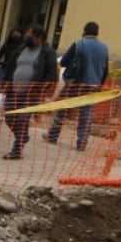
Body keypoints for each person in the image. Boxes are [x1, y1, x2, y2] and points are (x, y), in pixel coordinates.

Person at [45, 21, 109, 151]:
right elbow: (106, 70)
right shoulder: (104, 48)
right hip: (93, 85)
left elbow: (63, 62)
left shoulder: (78, 44)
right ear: (97, 33)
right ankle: (82, 142)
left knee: (62, 108)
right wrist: (99, 85)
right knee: (86, 114)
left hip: (75, 82)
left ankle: (52, 135)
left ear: (84, 31)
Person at [0, 24, 58, 159]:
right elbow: (10, 67)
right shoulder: (21, 49)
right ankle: (23, 136)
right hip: (13, 91)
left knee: (22, 121)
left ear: (39, 38)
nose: (26, 37)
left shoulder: (47, 53)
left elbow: (51, 74)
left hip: (31, 94)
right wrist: (6, 84)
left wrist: (40, 88)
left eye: (30, 36)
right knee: (9, 118)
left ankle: (16, 150)